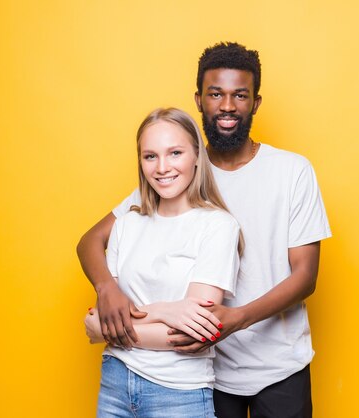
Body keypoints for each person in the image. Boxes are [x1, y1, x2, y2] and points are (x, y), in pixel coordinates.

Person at [77, 42, 331, 418]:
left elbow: (306, 275)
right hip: (207, 372)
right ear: (199, 100)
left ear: (255, 103)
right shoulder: (178, 171)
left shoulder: (292, 171)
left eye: (239, 95)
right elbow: (91, 241)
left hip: (279, 365)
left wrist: (238, 318)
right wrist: (107, 288)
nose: (227, 105)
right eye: (215, 94)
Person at [83, 107, 242, 418]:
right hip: (115, 383)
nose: (162, 167)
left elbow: (194, 334)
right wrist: (166, 310)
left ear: (197, 156)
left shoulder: (218, 226)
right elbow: (105, 313)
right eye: (150, 156)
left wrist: (107, 331)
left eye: (175, 153)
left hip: (178, 394)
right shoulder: (127, 223)